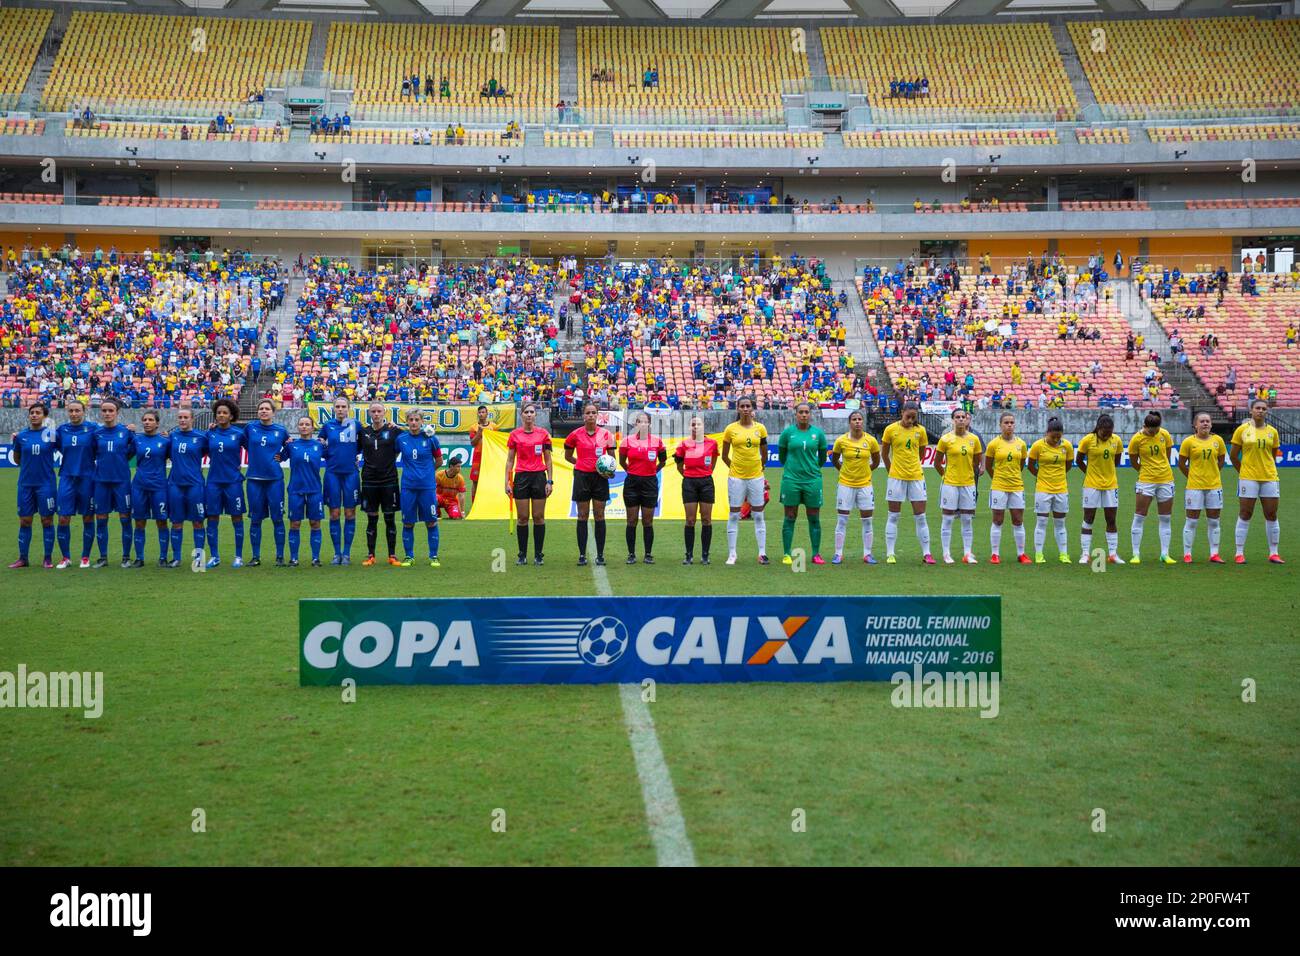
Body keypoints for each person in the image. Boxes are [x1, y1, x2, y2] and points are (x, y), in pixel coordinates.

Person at [1230, 398, 1283, 564]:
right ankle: (1239, 553)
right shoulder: (1242, 430)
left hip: (1269, 477)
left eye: (1264, 408)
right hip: (1248, 478)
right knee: (1245, 514)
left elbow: (1272, 456)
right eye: (1258, 408)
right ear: (1251, 410)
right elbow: (1233, 456)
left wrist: (1267, 469)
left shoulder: (1272, 432)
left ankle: (1274, 553)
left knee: (1271, 514)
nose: (1261, 411)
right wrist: (1243, 472)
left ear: (1267, 411)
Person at [880, 403, 934, 564]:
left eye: (913, 417)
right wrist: (892, 472)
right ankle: (890, 553)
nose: (910, 420)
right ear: (902, 412)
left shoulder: (921, 431)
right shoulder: (890, 429)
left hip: (916, 477)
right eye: (908, 416)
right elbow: (885, 454)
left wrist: (912, 466)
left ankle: (927, 553)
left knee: (921, 517)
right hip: (896, 478)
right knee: (894, 516)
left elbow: (921, 454)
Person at [564, 404, 616, 566]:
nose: (591, 415)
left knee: (600, 515)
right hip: (582, 477)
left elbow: (612, 460)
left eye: (594, 413)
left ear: (598, 415)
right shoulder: (574, 435)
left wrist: (608, 471)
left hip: (600, 479)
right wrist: (581, 464)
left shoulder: (607, 435)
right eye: (588, 413)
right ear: (583, 416)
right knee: (582, 515)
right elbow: (568, 456)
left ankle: (600, 555)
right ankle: (582, 555)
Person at [721, 396, 770, 565]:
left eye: (748, 406)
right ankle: (732, 554)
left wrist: (760, 467)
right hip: (736, 478)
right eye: (742, 406)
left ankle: (762, 553)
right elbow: (724, 456)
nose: (745, 409)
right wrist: (734, 469)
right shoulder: (730, 429)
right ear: (738, 409)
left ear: (752, 408)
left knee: (758, 515)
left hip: (756, 477)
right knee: (734, 514)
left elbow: (764, 452)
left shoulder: (761, 429)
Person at [777, 402, 828, 565]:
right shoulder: (787, 433)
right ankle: (786, 553)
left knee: (814, 517)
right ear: (796, 414)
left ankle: (816, 554)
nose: (804, 415)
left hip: (812, 481)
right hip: (791, 480)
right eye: (801, 412)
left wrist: (811, 470)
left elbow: (821, 458)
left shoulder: (818, 434)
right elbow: (782, 457)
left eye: (807, 412)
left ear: (810, 414)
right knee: (790, 516)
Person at [829, 409, 881, 565]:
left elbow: (876, 461)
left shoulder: (871, 441)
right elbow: (835, 459)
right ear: (849, 422)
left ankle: (867, 554)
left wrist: (865, 472)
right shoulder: (841, 441)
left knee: (867, 520)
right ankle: (838, 553)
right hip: (845, 484)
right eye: (854, 419)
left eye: (860, 419)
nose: (857, 421)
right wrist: (845, 472)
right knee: (842, 520)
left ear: (862, 422)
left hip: (865, 485)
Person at [504, 403, 553, 565]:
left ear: (536, 415)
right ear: (521, 415)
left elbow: (548, 459)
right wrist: (507, 482)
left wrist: (549, 481)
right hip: (521, 478)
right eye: (526, 412)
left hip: (539, 477)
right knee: (523, 518)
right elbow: (510, 460)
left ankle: (539, 555)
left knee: (538, 517)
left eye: (532, 412)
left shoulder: (544, 434)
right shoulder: (514, 435)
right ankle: (522, 555)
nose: (529, 415)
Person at [9, 402, 57, 568]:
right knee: (25, 521)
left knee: (47, 520)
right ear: (29, 415)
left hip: (46, 484)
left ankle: (48, 559)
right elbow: (16, 459)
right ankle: (23, 558)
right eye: (32, 413)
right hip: (25, 485)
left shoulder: (50, 435)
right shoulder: (21, 436)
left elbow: (64, 449)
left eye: (38, 412)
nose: (34, 415)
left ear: (44, 416)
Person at [91, 398, 136, 569]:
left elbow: (131, 452)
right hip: (101, 482)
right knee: (101, 520)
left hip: (121, 482)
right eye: (104, 411)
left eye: (111, 411)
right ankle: (103, 557)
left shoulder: (126, 432)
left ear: (117, 413)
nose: (107, 414)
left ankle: (126, 557)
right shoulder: (96, 433)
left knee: (125, 520)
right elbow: (92, 452)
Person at [933, 407, 982, 564]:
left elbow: (976, 461)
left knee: (967, 519)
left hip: (968, 484)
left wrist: (968, 473)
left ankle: (967, 553)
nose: (961, 419)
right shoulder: (945, 439)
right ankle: (946, 553)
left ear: (967, 419)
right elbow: (937, 463)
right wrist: (946, 476)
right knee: (947, 519)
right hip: (950, 484)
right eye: (958, 417)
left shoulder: (974, 439)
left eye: (963, 416)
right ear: (953, 420)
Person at [1127, 410, 1177, 564]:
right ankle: (1136, 554)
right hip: (1146, 481)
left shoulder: (1165, 435)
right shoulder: (1137, 439)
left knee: (1165, 518)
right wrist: (1145, 471)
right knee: (1140, 516)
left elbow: (1167, 456)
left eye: (1156, 430)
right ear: (1144, 426)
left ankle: (1165, 553)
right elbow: (1134, 461)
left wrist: (1161, 469)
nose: (1154, 433)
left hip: (1166, 480)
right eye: (1151, 430)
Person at [395, 409, 443, 567]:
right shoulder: (401, 439)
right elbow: (393, 456)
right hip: (408, 487)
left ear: (422, 421)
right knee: (408, 523)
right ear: (407, 421)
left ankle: (433, 556)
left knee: (431, 521)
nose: (414, 422)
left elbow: (439, 460)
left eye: (417, 419)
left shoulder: (430, 438)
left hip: (427, 488)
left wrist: (427, 473)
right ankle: (409, 556)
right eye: (411, 419)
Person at [245, 399, 289, 567]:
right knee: (255, 519)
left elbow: (290, 447)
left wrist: (282, 457)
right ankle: (255, 557)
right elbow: (240, 442)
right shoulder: (250, 428)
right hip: (254, 480)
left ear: (273, 412)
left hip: (275, 480)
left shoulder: (281, 431)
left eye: (267, 409)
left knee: (277, 519)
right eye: (261, 409)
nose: (263, 411)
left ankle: (279, 556)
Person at [53, 399, 97, 569]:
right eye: (71, 411)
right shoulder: (61, 430)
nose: (74, 414)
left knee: (87, 517)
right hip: (66, 478)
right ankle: (66, 557)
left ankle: (85, 557)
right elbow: (47, 442)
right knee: (63, 518)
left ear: (84, 411)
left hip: (87, 478)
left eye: (77, 410)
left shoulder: (93, 428)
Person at [1179, 411, 1227, 563]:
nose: (1205, 423)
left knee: (1214, 521)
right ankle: (1187, 554)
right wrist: (1193, 476)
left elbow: (1221, 461)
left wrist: (1212, 475)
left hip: (1214, 486)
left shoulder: (1218, 440)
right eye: (1202, 421)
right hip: (1194, 487)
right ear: (1195, 425)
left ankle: (1214, 554)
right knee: (1192, 521)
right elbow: (1181, 464)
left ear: (1211, 424)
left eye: (1208, 421)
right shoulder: (1188, 442)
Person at [619, 411, 667, 564]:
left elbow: (663, 462)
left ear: (650, 424)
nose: (643, 424)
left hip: (650, 484)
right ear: (636, 425)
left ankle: (648, 554)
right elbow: (621, 461)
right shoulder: (627, 441)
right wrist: (632, 472)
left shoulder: (657, 442)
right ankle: (631, 554)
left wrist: (652, 472)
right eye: (640, 422)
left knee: (648, 521)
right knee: (631, 520)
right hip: (632, 483)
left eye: (646, 421)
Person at [1076, 413, 1124, 564]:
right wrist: (1090, 473)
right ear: (1098, 428)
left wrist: (1107, 474)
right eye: (1104, 432)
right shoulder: (1087, 440)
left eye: (1109, 432)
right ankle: (1085, 554)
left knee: (1111, 519)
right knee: (1088, 518)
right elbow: (1079, 460)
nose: (1106, 435)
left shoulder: (1116, 440)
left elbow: (1116, 460)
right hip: (1091, 485)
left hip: (1111, 485)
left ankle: (1113, 554)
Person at [205, 398, 247, 569]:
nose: (221, 415)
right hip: (214, 481)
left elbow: (255, 449)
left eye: (225, 413)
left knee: (236, 517)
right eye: (219, 413)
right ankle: (214, 556)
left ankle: (238, 556)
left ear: (231, 416)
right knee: (212, 518)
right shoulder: (210, 434)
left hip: (233, 481)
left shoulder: (239, 434)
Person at [359, 403, 402, 567]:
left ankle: (392, 555)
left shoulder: (394, 431)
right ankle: (371, 555)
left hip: (389, 481)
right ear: (369, 413)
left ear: (384, 413)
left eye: (379, 411)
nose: (376, 414)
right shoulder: (363, 432)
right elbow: (353, 449)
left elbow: (411, 437)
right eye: (373, 411)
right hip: (369, 481)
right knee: (372, 519)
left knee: (390, 519)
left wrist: (399, 426)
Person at [319, 396, 361, 565]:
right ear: (334, 408)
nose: (341, 409)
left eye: (344, 406)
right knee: (334, 513)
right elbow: (321, 444)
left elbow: (364, 443)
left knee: (350, 512)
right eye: (338, 406)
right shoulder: (327, 426)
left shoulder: (356, 425)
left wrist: (355, 456)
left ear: (348, 408)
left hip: (351, 474)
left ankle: (347, 553)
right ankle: (337, 553)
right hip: (332, 474)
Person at [985, 412, 1030, 564]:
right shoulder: (993, 444)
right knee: (998, 520)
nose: (1009, 425)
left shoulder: (1021, 444)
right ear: (1000, 425)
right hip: (999, 486)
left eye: (1011, 422)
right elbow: (988, 465)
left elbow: (1022, 464)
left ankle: (1021, 554)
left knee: (1018, 520)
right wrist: (998, 478)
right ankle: (995, 554)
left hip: (1017, 486)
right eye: (1006, 422)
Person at [166, 406, 208, 569]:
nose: (182, 420)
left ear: (192, 419)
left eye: (185, 417)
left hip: (195, 485)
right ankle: (176, 558)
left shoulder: (201, 437)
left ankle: (198, 559)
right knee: (176, 522)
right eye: (180, 417)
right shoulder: (172, 437)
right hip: (175, 485)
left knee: (198, 522)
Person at [673, 415, 718, 565]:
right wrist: (688, 476)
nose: (695, 427)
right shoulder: (683, 444)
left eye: (698, 424)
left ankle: (705, 555)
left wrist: (706, 473)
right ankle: (689, 555)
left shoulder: (712, 443)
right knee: (690, 520)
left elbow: (714, 460)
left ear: (703, 426)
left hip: (706, 483)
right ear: (689, 427)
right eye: (693, 424)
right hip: (689, 483)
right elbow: (679, 465)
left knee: (706, 519)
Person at [1027, 417, 1073, 564]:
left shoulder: (1067, 446)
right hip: (1043, 489)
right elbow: (1031, 466)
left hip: (1061, 489)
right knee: (1041, 521)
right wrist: (1041, 477)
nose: (1056, 440)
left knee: (1060, 522)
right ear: (1047, 433)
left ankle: (1063, 554)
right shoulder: (1037, 446)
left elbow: (1068, 465)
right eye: (1053, 437)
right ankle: (1039, 554)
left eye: (1059, 437)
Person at [130, 409, 171, 568]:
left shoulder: (166, 441)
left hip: (159, 486)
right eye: (145, 420)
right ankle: (139, 558)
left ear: (157, 423)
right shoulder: (136, 440)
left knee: (161, 521)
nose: (147, 422)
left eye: (150, 420)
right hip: (139, 486)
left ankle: (163, 558)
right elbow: (125, 455)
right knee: (140, 522)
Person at [286, 416, 325, 567]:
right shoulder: (291, 446)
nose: (303, 427)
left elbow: (333, 456)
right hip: (296, 490)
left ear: (312, 427)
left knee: (315, 523)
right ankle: (294, 558)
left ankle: (315, 558)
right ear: (298, 427)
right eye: (301, 424)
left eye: (307, 424)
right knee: (295, 523)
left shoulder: (319, 446)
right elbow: (276, 456)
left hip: (314, 490)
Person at [467, 405, 495, 503]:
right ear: (477, 414)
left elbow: (496, 442)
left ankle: (488, 503)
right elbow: (472, 443)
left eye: (483, 412)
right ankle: (474, 504)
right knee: (475, 481)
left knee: (490, 481)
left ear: (487, 413)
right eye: (480, 412)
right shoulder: (473, 427)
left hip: (490, 458)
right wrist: (479, 433)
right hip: (477, 458)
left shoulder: (494, 427)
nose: (481, 414)